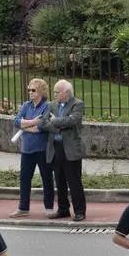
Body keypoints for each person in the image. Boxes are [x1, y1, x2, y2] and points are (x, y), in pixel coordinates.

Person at [32, 80, 87, 222]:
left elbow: (73, 120)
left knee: (74, 181)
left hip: (70, 148)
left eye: (57, 92)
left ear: (66, 92)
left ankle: (80, 211)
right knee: (59, 180)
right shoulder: (51, 105)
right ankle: (63, 209)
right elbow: (43, 123)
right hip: (55, 147)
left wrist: (55, 121)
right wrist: (59, 127)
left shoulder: (77, 104)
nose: (54, 94)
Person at [10, 78, 54, 217]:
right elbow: (17, 121)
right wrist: (33, 122)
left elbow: (41, 127)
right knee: (24, 178)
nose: (30, 92)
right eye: (29, 90)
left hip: (42, 148)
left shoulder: (47, 106)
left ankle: (49, 208)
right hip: (27, 148)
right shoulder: (26, 105)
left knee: (46, 178)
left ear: (41, 91)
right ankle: (23, 208)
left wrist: (26, 125)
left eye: (33, 90)